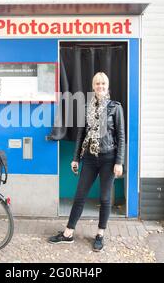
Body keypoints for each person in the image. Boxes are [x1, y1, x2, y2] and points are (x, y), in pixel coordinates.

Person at [48, 71, 125, 252]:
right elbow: (81, 135)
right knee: (80, 196)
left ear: (107, 86)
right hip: (90, 158)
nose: (100, 87)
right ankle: (68, 233)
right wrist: (76, 158)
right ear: (93, 86)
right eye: (97, 84)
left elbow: (121, 136)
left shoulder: (115, 107)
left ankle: (100, 234)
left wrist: (119, 162)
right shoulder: (86, 107)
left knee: (105, 198)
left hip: (108, 158)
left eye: (103, 84)